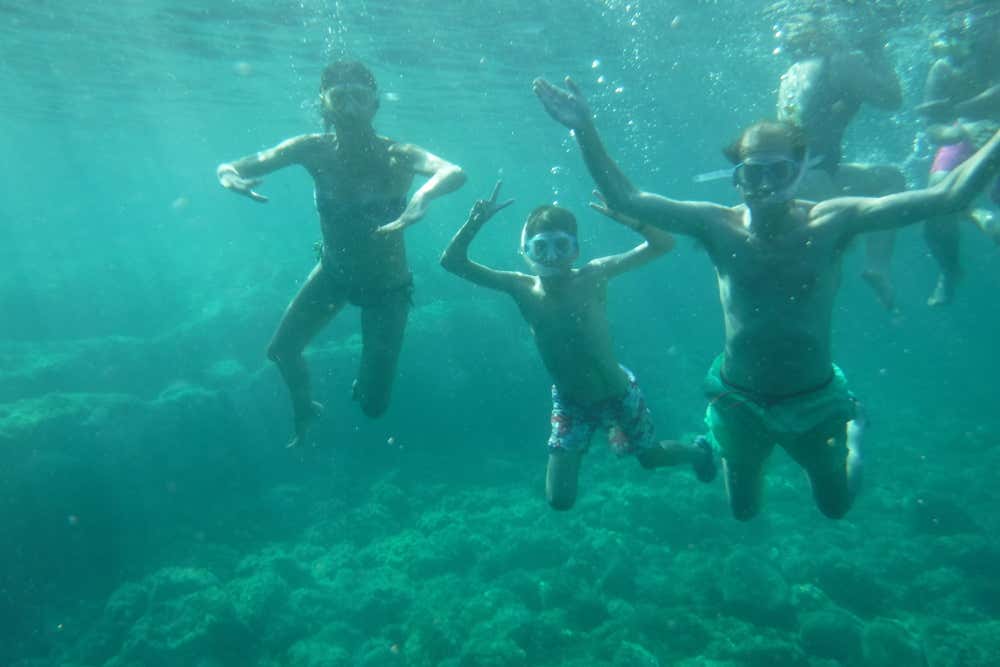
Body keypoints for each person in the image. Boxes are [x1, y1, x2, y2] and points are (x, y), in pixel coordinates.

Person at [534, 76, 1000, 520]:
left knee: (835, 507)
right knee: (742, 511)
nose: (765, 185)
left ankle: (856, 431)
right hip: (739, 398)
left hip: (814, 396)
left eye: (778, 171)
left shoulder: (832, 222)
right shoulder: (716, 225)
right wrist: (584, 129)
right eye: (751, 173)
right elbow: (627, 197)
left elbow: (951, 196)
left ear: (801, 170)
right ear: (736, 178)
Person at [217, 61, 466, 448]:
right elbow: (232, 165)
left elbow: (452, 171)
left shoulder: (397, 154)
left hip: (387, 291)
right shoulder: (311, 150)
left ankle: (367, 383)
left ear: (375, 105)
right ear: (324, 105)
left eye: (359, 97)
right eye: (339, 97)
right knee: (281, 350)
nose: (350, 106)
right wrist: (231, 179)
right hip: (332, 275)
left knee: (373, 406)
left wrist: (422, 197)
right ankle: (305, 409)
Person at [440, 181, 716, 510]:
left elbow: (663, 244)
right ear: (524, 251)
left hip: (619, 393)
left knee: (651, 458)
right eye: (541, 248)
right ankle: (614, 434)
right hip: (572, 405)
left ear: (576, 249)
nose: (553, 258)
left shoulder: (593, 275)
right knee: (559, 499)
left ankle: (700, 452)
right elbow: (452, 262)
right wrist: (474, 223)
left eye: (561, 246)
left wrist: (631, 220)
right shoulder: (521, 288)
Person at [774, 11, 907, 311]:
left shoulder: (794, 70)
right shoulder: (841, 61)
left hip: (798, 173)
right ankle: (800, 311)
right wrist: (878, 50)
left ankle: (876, 269)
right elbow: (892, 99)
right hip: (812, 176)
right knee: (835, 255)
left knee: (890, 179)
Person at [917, 5, 1000, 305]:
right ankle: (950, 270)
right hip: (965, 133)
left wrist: (956, 111)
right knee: (935, 203)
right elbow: (931, 127)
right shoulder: (941, 68)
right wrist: (959, 132)